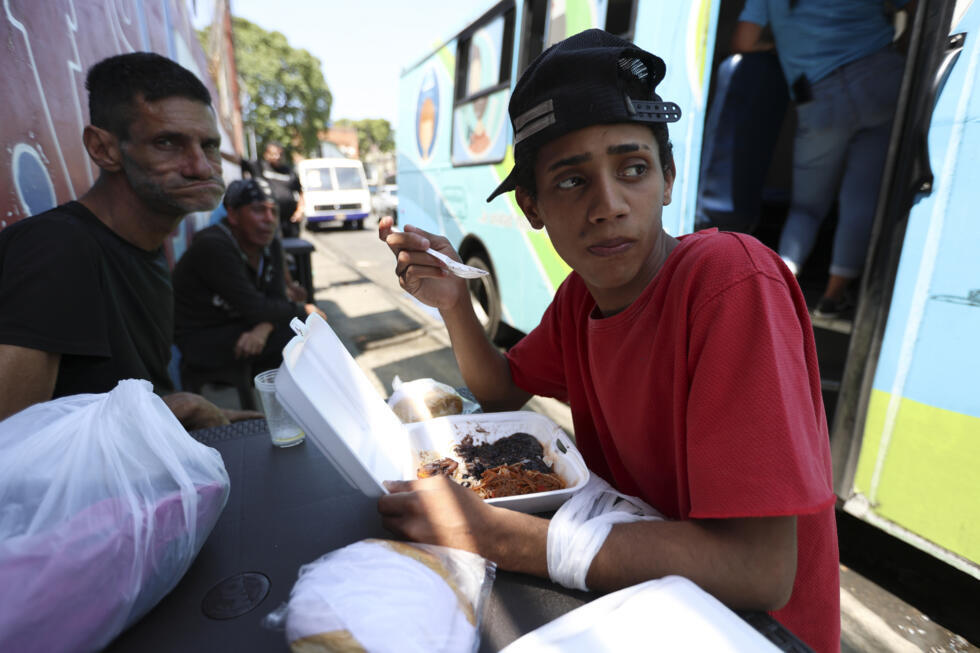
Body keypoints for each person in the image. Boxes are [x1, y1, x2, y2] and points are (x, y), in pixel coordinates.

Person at [377, 29, 839, 652]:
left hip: (752, 632)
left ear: (669, 180)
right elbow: (501, 387)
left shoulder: (730, 281)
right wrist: (457, 304)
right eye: (571, 181)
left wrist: (502, 537)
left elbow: (758, 570)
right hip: (641, 605)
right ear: (533, 207)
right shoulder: (577, 301)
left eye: (634, 169)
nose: (609, 204)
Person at [0, 51, 255, 429]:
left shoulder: (148, 248)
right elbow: (11, 448)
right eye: (168, 143)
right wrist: (167, 415)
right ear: (103, 149)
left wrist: (185, 422)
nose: (201, 166)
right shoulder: (55, 247)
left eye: (210, 146)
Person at [732, 0, 913, 317]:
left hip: (820, 96)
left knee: (806, 206)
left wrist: (778, 44)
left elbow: (743, 41)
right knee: (862, 197)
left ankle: (777, 291)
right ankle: (832, 298)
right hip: (883, 78)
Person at [173, 178, 322, 376]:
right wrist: (302, 308)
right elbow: (256, 308)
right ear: (233, 215)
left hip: (247, 324)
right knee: (301, 329)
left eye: (274, 211)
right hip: (203, 335)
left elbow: (274, 299)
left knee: (308, 329)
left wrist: (264, 327)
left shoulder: (270, 242)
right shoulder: (213, 245)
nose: (269, 219)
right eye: (259, 210)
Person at [243, 142, 305, 238]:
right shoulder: (260, 167)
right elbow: (237, 160)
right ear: (266, 154)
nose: (277, 157)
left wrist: (300, 210)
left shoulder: (289, 171)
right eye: (274, 154)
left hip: (290, 220)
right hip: (269, 220)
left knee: (294, 246)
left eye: (280, 154)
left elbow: (300, 191)